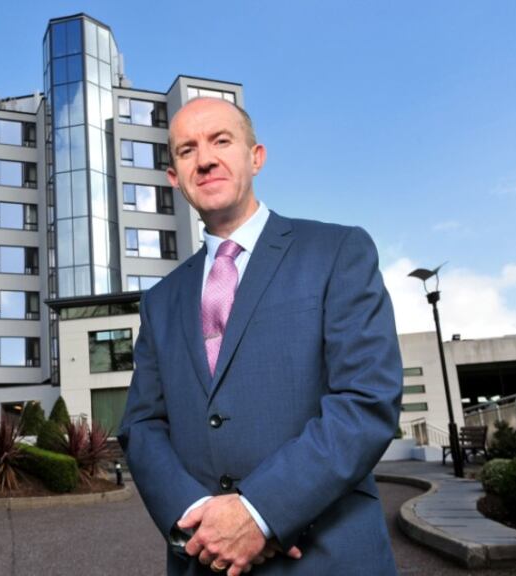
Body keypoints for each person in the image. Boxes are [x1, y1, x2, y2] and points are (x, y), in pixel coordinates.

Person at [117, 97, 403, 575]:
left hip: (327, 559)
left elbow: (366, 399)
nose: (205, 158)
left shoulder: (336, 251)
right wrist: (199, 521)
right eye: (187, 150)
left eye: (220, 141)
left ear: (256, 156)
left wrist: (259, 511)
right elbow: (142, 425)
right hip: (202, 558)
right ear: (174, 177)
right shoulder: (160, 300)